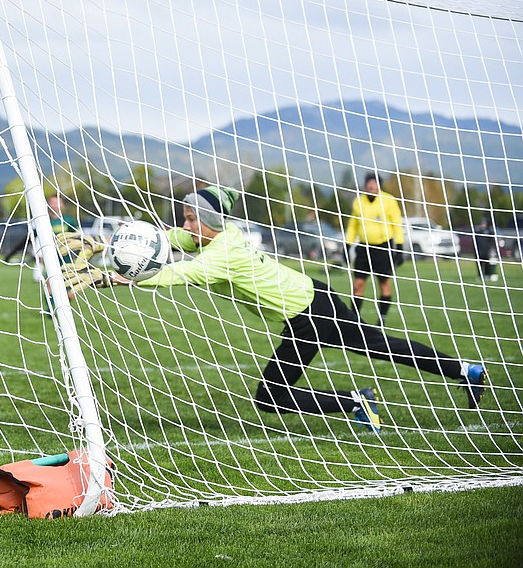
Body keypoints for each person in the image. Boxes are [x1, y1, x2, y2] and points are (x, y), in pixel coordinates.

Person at [62, 185, 488, 433]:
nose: (187, 226)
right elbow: (167, 240)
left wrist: (110, 278)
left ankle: (358, 401)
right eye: (187, 218)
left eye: (192, 218)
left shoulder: (225, 251)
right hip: (310, 304)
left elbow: (181, 274)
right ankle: (461, 372)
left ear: (208, 220)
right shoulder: (211, 236)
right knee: (379, 348)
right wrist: (106, 247)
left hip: (311, 314)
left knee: (273, 394)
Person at [344, 172, 405, 324]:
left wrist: (400, 245)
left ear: (379, 185)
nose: (371, 186)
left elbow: (397, 223)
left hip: (383, 247)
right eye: (369, 183)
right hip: (364, 248)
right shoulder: (359, 202)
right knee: (358, 284)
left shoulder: (389, 200)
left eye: (374, 183)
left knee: (384, 283)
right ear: (365, 185)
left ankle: (382, 317)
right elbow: (353, 224)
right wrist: (347, 244)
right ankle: (354, 318)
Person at [473, 217, 500, 282]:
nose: (483, 224)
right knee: (479, 264)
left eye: (484, 223)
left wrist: (492, 249)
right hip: (479, 251)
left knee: (488, 264)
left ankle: (488, 275)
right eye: (482, 223)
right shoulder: (478, 231)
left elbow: (492, 241)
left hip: (487, 251)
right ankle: (480, 276)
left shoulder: (490, 232)